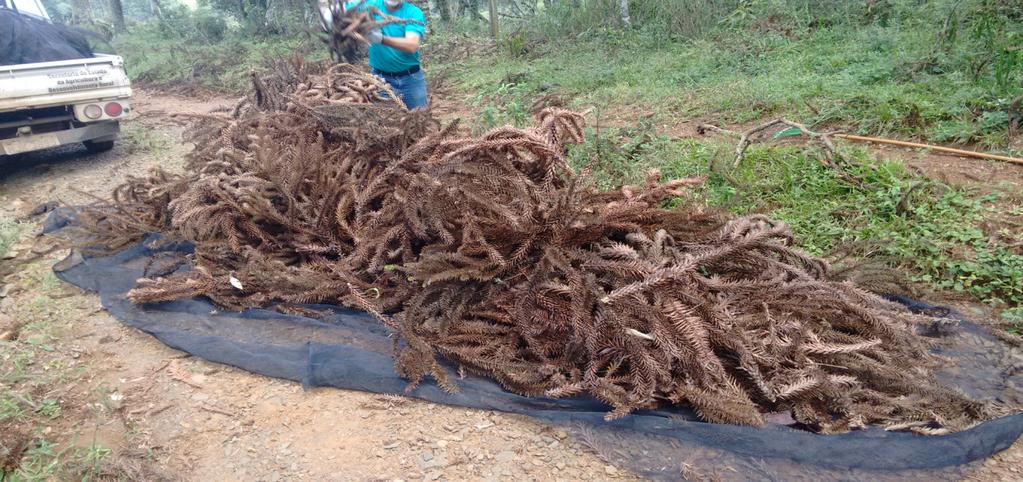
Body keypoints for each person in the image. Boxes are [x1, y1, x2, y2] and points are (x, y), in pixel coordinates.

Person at [333, 0, 429, 110]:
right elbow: (343, 11)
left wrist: (381, 39)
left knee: (420, 119)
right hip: (380, 80)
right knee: (386, 122)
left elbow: (411, 45)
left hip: (411, 80)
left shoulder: (413, 12)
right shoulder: (369, 6)